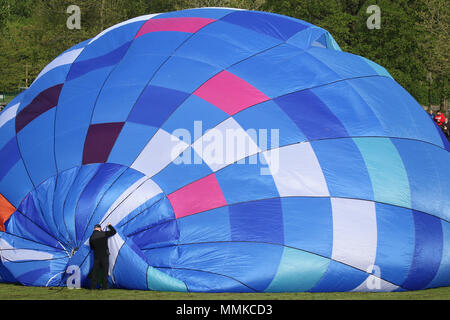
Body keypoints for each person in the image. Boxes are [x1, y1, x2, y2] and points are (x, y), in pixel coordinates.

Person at [89, 223, 116, 290]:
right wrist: (109, 225)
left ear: (94, 229)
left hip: (96, 257)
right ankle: (104, 287)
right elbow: (114, 232)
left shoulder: (91, 237)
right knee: (104, 272)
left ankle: (93, 287)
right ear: (99, 228)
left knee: (95, 272)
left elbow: (92, 248)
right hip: (104, 256)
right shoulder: (103, 233)